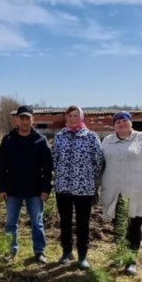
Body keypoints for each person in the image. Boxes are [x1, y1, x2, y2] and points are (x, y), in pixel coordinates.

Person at [101, 111, 142, 275]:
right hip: (114, 190)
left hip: (138, 190)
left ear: (131, 122)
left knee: (134, 225)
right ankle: (121, 255)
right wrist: (94, 187)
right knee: (118, 225)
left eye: (124, 120)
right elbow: (99, 164)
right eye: (117, 122)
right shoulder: (107, 141)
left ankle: (131, 261)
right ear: (113, 125)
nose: (121, 123)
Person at [0, 105, 53, 263]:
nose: (25, 121)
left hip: (34, 190)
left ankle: (39, 251)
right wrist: (1, 188)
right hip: (12, 189)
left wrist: (46, 188)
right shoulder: (8, 140)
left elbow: (47, 168)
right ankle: (10, 250)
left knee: (37, 222)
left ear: (32, 120)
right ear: (17, 120)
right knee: (11, 223)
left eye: (28, 118)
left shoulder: (40, 141)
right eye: (22, 118)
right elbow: (1, 166)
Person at [51, 106, 104, 269]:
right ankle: (66, 252)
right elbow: (53, 159)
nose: (72, 118)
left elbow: (99, 162)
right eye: (69, 115)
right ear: (66, 117)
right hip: (63, 188)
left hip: (84, 189)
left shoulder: (91, 137)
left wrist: (90, 181)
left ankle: (82, 256)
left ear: (81, 117)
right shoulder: (60, 136)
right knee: (65, 222)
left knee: (83, 223)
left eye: (75, 115)